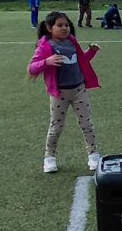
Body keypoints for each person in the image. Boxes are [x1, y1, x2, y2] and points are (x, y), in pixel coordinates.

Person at [28, 11, 101, 174]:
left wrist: (91, 52)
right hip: (59, 93)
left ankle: (93, 155)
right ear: (49, 28)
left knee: (86, 124)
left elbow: (80, 60)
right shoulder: (45, 46)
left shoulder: (71, 42)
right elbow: (31, 68)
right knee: (56, 126)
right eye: (59, 25)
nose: (64, 28)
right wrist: (46, 61)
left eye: (66, 25)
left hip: (78, 90)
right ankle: (49, 157)